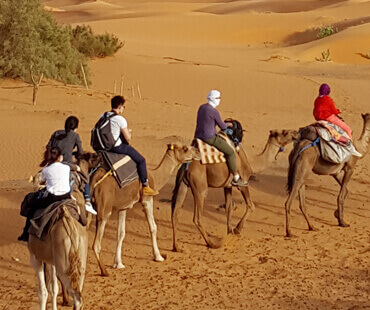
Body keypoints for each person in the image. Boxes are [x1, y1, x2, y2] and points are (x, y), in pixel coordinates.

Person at [100, 95, 158, 196]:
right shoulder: (120, 119)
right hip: (116, 147)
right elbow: (127, 138)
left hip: (102, 146)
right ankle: (145, 186)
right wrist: (129, 133)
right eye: (123, 107)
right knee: (141, 160)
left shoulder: (103, 115)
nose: (123, 109)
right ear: (120, 107)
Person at [18, 147, 73, 241]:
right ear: (60, 157)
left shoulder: (46, 170)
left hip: (52, 198)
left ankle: (26, 233)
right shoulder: (66, 168)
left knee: (32, 207)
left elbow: (42, 181)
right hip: (66, 196)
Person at [194, 90, 248, 187]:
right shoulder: (214, 111)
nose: (219, 100)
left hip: (198, 136)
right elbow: (222, 126)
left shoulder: (202, 107)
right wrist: (230, 124)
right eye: (218, 98)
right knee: (231, 152)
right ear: (214, 99)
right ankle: (236, 177)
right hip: (209, 138)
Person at [45, 116, 96, 215]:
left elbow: (48, 147)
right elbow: (81, 152)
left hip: (51, 164)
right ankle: (88, 200)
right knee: (85, 177)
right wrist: (74, 153)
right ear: (76, 126)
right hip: (67, 165)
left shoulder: (56, 133)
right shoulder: (75, 136)